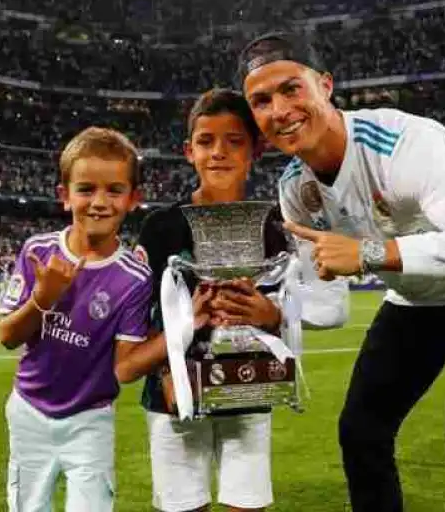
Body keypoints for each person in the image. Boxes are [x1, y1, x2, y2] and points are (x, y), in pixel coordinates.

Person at [237, 31, 445, 512]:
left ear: (326, 86)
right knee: (360, 432)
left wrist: (371, 253)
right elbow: (329, 307)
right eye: (261, 101)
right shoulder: (294, 187)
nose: (280, 110)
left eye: (292, 88)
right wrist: (270, 313)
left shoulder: (404, 141)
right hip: (415, 302)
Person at [121, 88, 348, 512]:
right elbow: (144, 318)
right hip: (175, 400)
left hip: (249, 390)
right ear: (189, 151)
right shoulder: (159, 228)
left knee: (247, 505)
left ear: (256, 149)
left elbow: (327, 305)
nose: (218, 153)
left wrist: (274, 314)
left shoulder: (279, 227)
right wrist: (168, 372)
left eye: (234, 141)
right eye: (206, 141)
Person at [0, 127, 152, 512]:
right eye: (85, 189)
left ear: (134, 199)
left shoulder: (134, 278)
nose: (99, 202)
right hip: (29, 411)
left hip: (90, 419)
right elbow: (7, 336)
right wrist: (43, 299)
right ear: (64, 195)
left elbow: (124, 368)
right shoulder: (39, 251)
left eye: (114, 190)